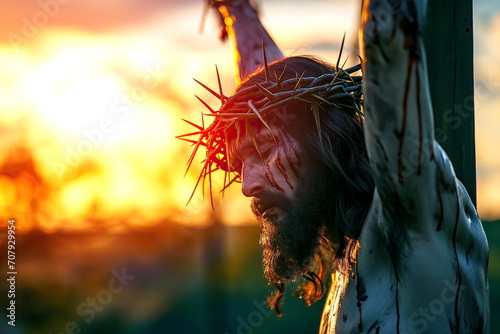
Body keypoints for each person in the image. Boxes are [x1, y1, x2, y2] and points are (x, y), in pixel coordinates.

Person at [180, 0, 490, 332]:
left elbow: (387, 43)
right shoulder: (350, 251)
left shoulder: (410, 210)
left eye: (265, 150)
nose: (246, 185)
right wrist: (238, 10)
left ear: (323, 139)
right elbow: (275, 88)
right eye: (242, 164)